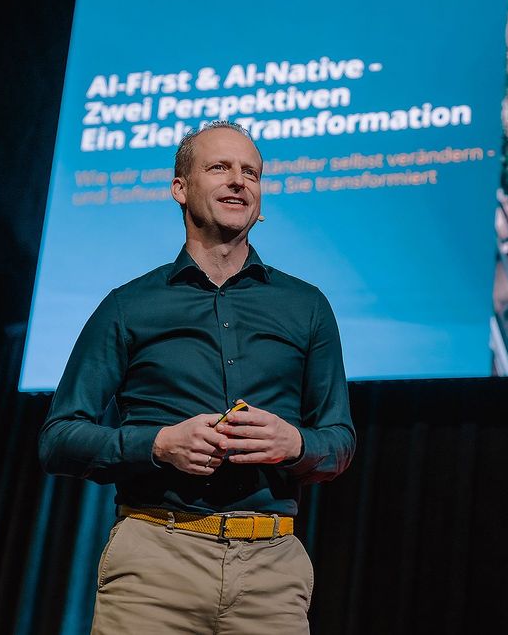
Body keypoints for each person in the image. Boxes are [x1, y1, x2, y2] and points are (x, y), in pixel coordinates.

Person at [39, 120, 356, 633]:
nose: (238, 181)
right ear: (180, 189)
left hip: (272, 571)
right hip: (155, 563)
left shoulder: (308, 307)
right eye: (220, 168)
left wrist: (295, 443)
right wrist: (158, 444)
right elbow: (58, 439)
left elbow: (339, 441)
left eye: (250, 172)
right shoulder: (128, 306)